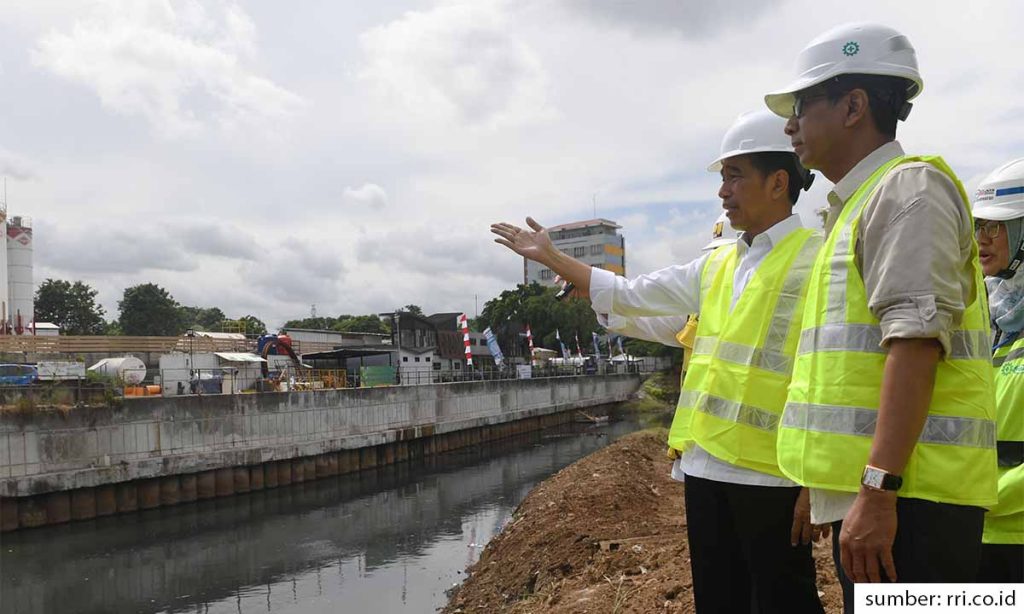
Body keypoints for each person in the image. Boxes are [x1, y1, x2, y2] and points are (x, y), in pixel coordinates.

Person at [493, 109, 826, 613]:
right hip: (706, 465)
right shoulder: (718, 263)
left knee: (784, 601)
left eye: (734, 176)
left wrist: (818, 481)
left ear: (779, 182)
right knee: (720, 599)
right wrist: (555, 258)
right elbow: (630, 295)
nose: (723, 191)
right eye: (722, 178)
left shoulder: (818, 260)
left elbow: (828, 378)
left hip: (775, 476)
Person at [763, 22, 998, 607]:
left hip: (914, 505)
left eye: (800, 106)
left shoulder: (907, 191)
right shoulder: (857, 206)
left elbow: (915, 344)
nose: (789, 125)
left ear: (853, 106)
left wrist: (878, 489)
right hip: (886, 494)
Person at [972, 158, 1024, 582]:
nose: (981, 240)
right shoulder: (985, 314)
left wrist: (981, 495)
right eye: (979, 227)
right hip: (975, 531)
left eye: (996, 227)